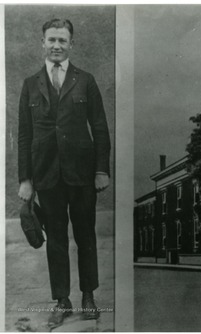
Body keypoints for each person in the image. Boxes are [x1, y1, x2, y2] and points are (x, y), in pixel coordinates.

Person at [17, 18, 111, 328]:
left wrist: (101, 170)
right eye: (51, 40)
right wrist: (26, 180)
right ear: (42, 43)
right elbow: (25, 136)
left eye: (62, 40)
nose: (56, 45)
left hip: (82, 174)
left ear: (71, 44)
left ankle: (88, 296)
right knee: (56, 240)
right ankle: (62, 300)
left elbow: (99, 128)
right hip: (47, 175)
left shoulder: (86, 80)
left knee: (85, 236)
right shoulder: (31, 84)